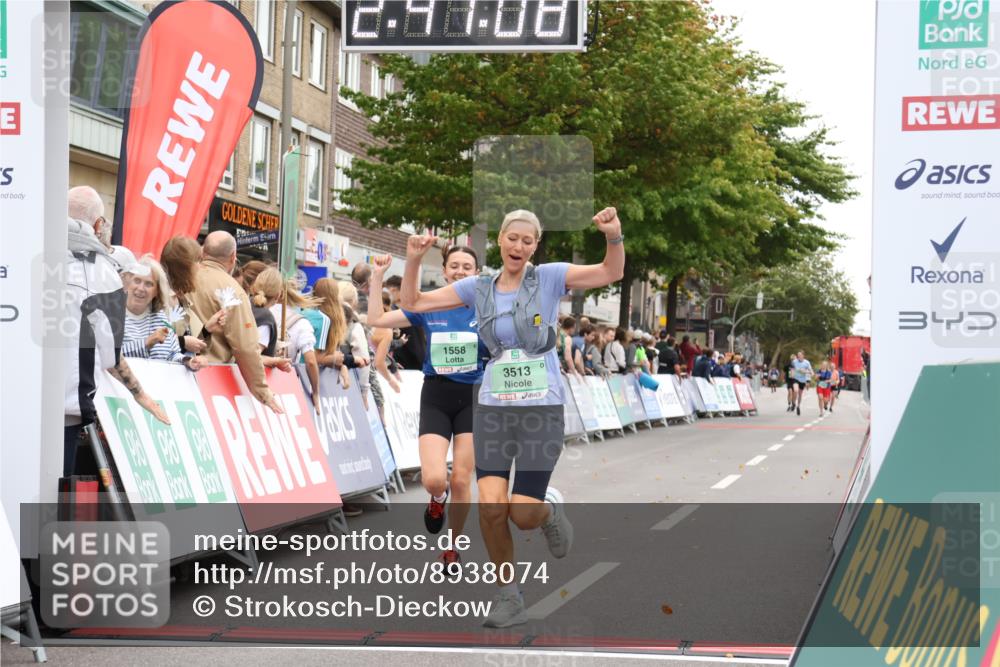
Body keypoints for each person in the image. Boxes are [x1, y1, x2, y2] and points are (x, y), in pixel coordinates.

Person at [400, 207, 625, 628]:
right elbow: (413, 303)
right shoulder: (478, 287)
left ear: (535, 246)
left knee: (521, 512)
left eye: (527, 240)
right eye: (512, 238)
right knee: (490, 506)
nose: (518, 246)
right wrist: (413, 259)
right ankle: (508, 595)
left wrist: (613, 236)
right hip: (493, 409)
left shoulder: (550, 278)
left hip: (540, 408)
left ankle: (549, 513)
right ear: (500, 240)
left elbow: (609, 273)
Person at [367, 246, 484, 573]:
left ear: (476, 272)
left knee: (462, 479)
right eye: (455, 266)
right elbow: (376, 319)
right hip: (436, 395)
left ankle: (452, 548)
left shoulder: (488, 307)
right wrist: (377, 279)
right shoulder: (429, 304)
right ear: (445, 271)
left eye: (467, 266)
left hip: (474, 397)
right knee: (435, 479)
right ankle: (436, 499)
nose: (461, 271)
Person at [64, 186, 168, 477]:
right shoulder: (103, 272)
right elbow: (110, 354)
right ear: (99, 225)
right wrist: (140, 394)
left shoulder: (27, 253)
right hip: (66, 408)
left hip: (19, 398)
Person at [186, 231, 283, 414]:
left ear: (203, 252)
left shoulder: (184, 278)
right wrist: (263, 391)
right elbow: (245, 346)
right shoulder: (232, 291)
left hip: (175, 369)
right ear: (233, 257)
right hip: (211, 379)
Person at [250, 268, 322, 413]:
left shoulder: (244, 306)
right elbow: (311, 361)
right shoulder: (270, 319)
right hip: (267, 386)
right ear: (279, 294)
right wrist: (316, 392)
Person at [121, 255, 202, 371]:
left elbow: (173, 354)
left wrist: (188, 361)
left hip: (157, 386)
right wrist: (146, 343)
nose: (140, 288)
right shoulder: (113, 315)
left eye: (148, 284)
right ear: (127, 284)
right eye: (137, 281)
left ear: (157, 291)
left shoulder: (160, 317)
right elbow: (107, 357)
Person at [160, 236, 226, 359]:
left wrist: (207, 329)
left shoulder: (180, 297)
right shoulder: (160, 297)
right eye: (197, 261)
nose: (200, 267)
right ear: (184, 267)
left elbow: (191, 346)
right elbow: (152, 341)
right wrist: (182, 342)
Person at [310, 278, 352, 389]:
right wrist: (334, 360)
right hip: (306, 377)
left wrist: (341, 366)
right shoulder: (322, 319)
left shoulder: (328, 318)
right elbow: (312, 358)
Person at [790, 350, 813, 416]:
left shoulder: (807, 362)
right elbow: (791, 370)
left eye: (800, 355)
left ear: (803, 355)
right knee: (796, 391)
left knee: (800, 395)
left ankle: (798, 406)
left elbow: (811, 372)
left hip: (802, 380)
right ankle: (793, 403)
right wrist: (791, 375)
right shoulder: (794, 361)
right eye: (798, 355)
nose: (799, 356)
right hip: (795, 379)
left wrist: (805, 372)